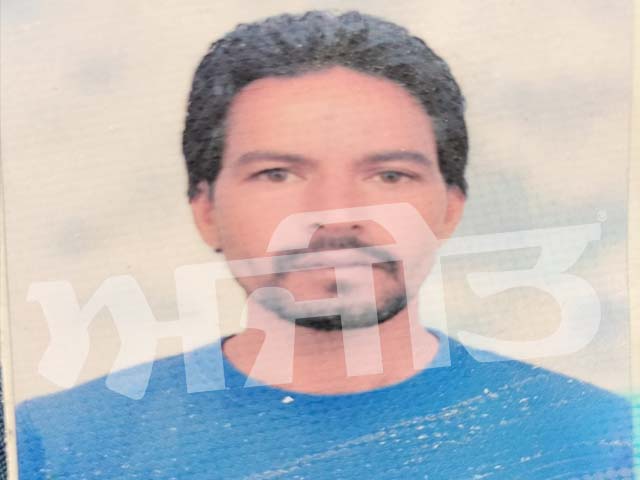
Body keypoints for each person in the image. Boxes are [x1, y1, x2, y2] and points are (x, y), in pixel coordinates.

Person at [15, 10, 634, 479]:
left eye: (389, 175)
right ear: (205, 211)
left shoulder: (598, 438)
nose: (335, 217)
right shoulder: (54, 445)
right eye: (277, 174)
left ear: (450, 208)